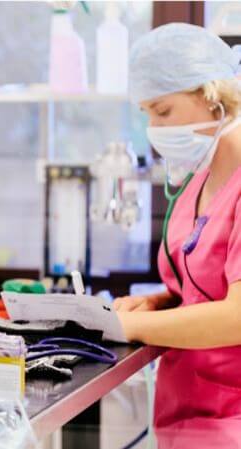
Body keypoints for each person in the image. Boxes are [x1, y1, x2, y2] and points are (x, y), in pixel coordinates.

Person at [115, 23, 241, 447]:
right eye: (146, 114)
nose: (153, 129)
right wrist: (157, 302)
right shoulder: (196, 183)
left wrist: (130, 327)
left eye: (163, 111)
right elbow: (202, 287)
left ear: (212, 95)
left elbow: (236, 316)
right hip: (182, 419)